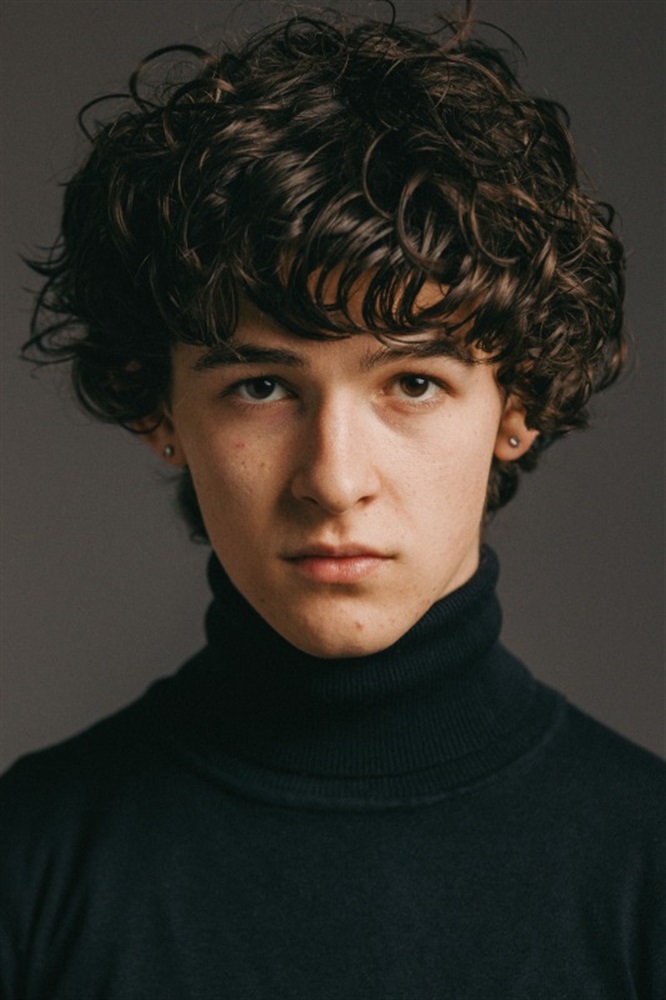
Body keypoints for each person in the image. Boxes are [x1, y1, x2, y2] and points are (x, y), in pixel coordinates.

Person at [1, 3, 663, 997]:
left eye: (413, 383)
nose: (334, 478)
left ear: (519, 404)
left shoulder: (647, 866)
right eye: (262, 386)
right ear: (157, 407)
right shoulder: (31, 861)